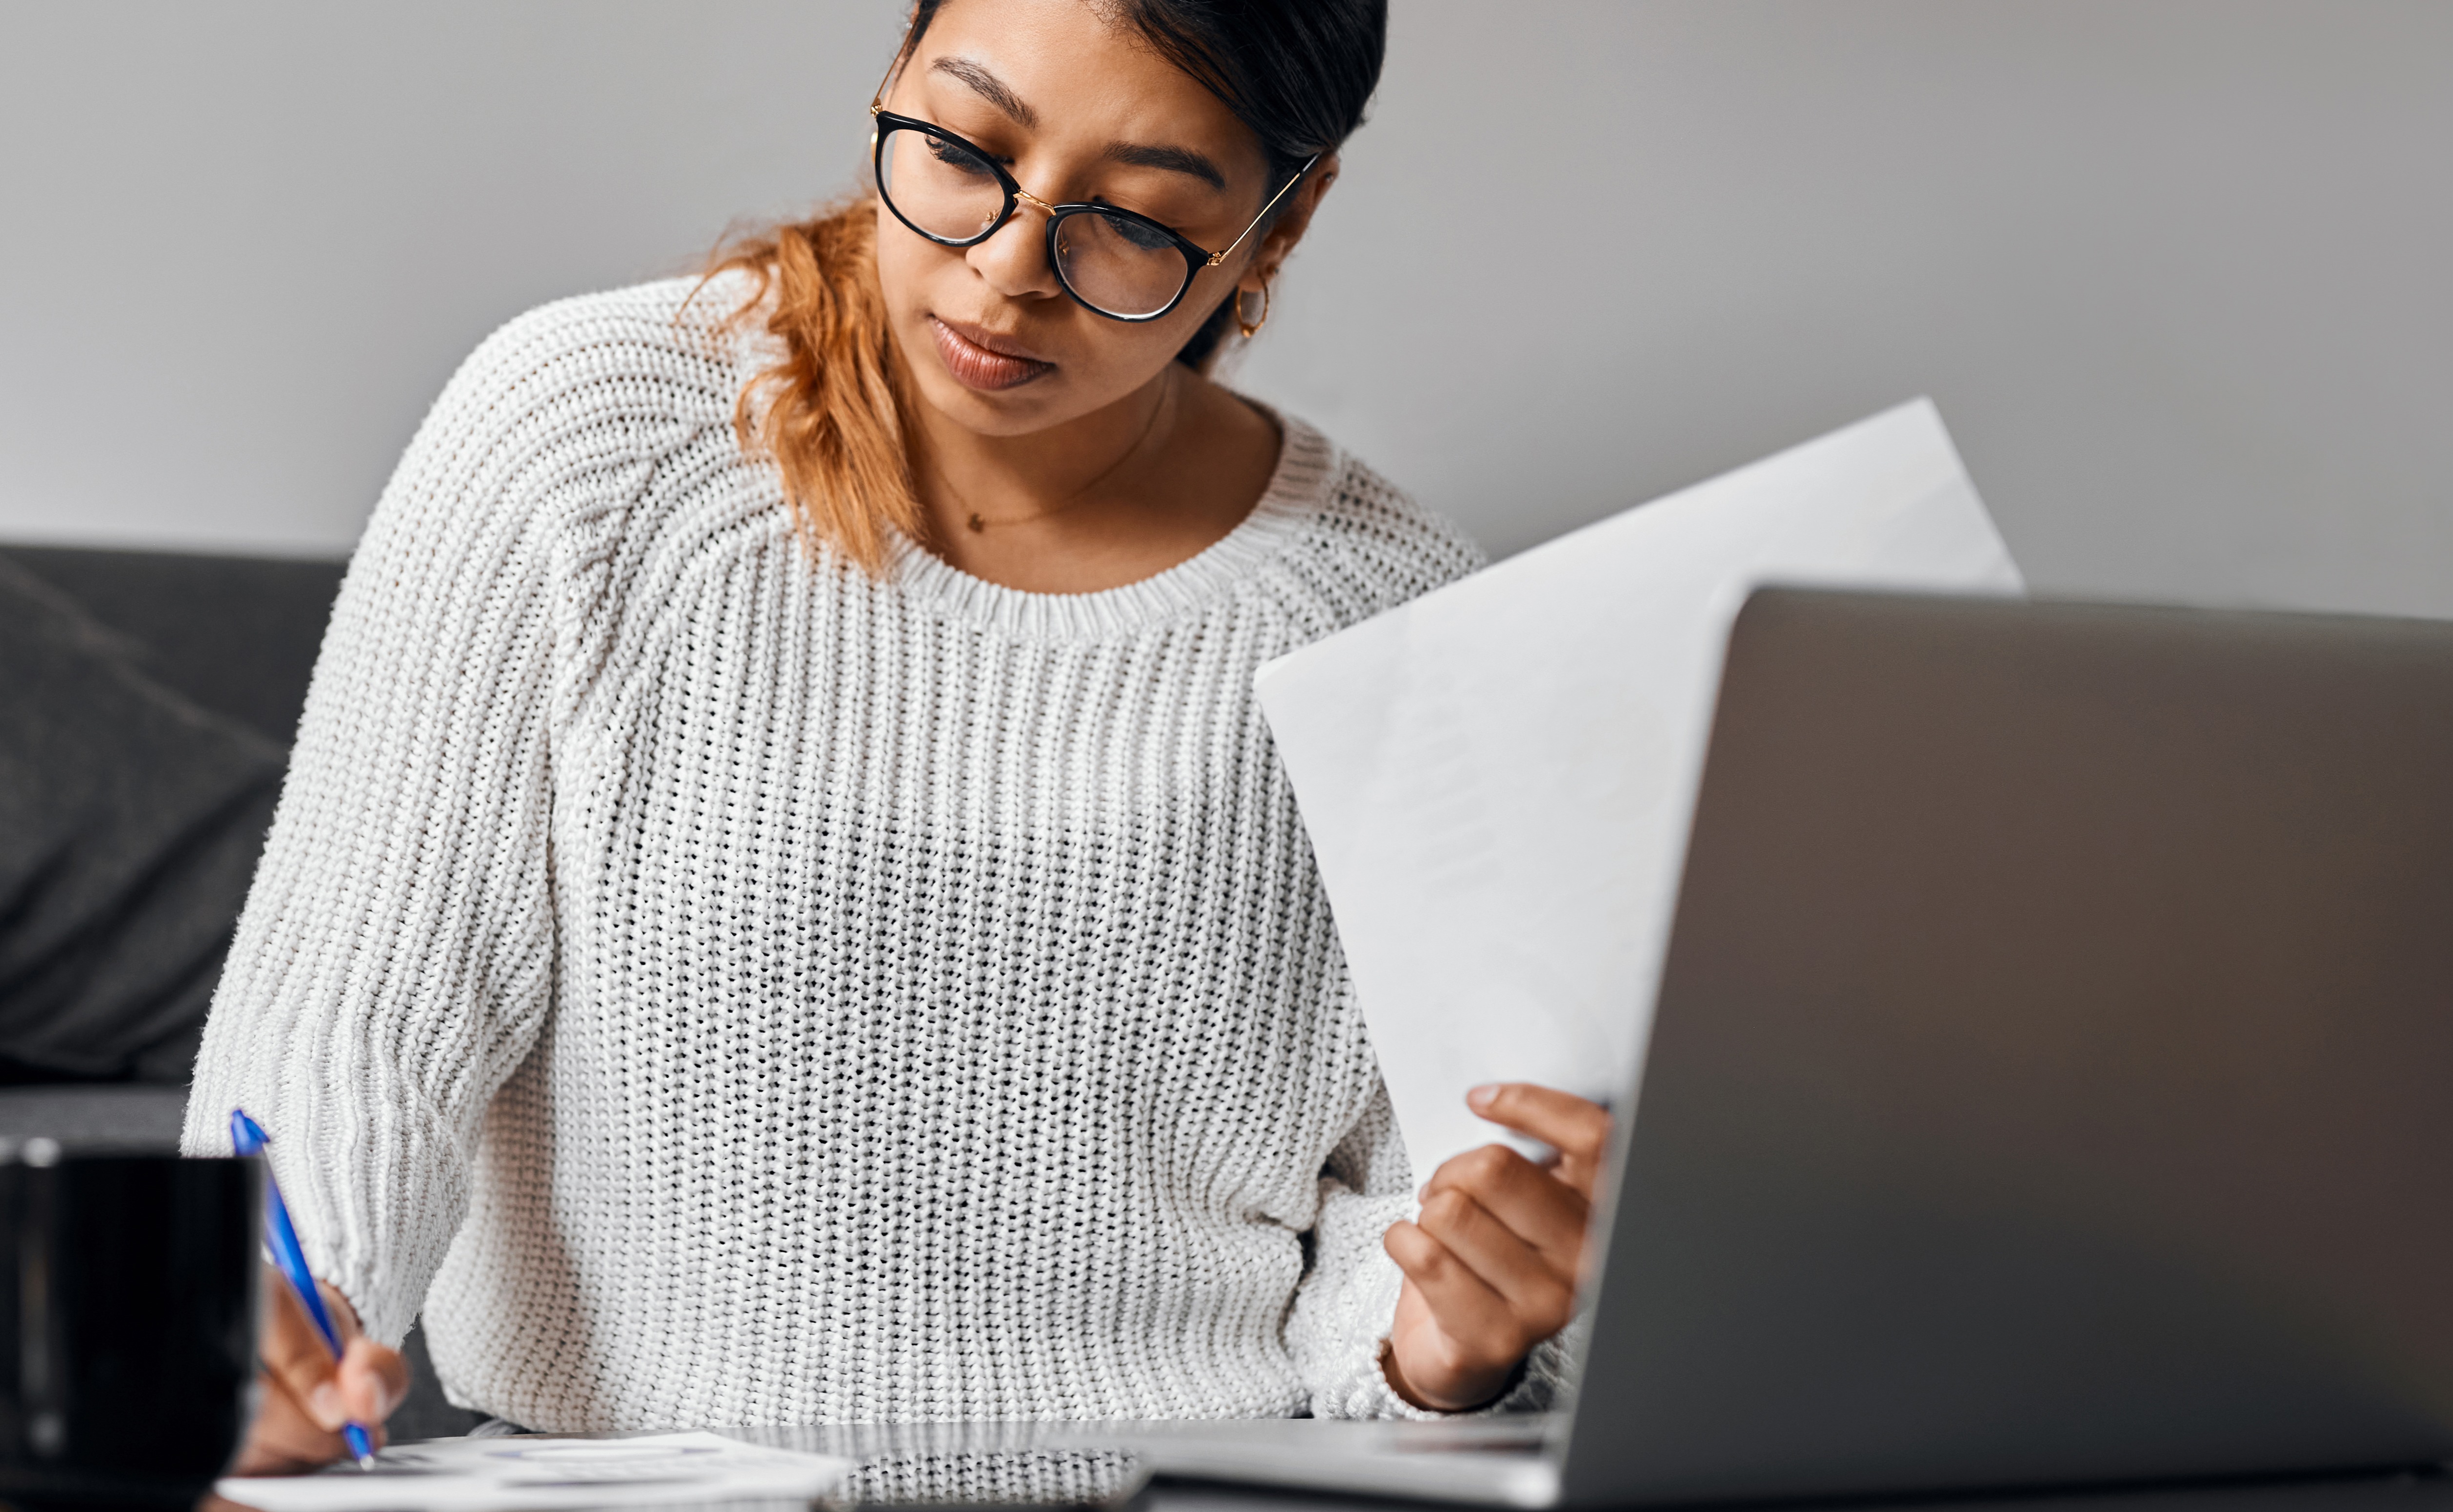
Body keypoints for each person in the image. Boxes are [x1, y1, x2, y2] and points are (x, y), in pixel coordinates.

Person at [181, 0, 1614, 1468]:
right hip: (645, 1492)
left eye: (1130, 219)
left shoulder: (1401, 616)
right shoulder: (583, 440)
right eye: (963, 144)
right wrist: (274, 1339)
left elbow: (1410, 1202)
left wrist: (1451, 1340)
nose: (1004, 272)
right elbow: (357, 1022)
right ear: (891, 78)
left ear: (1280, 225)